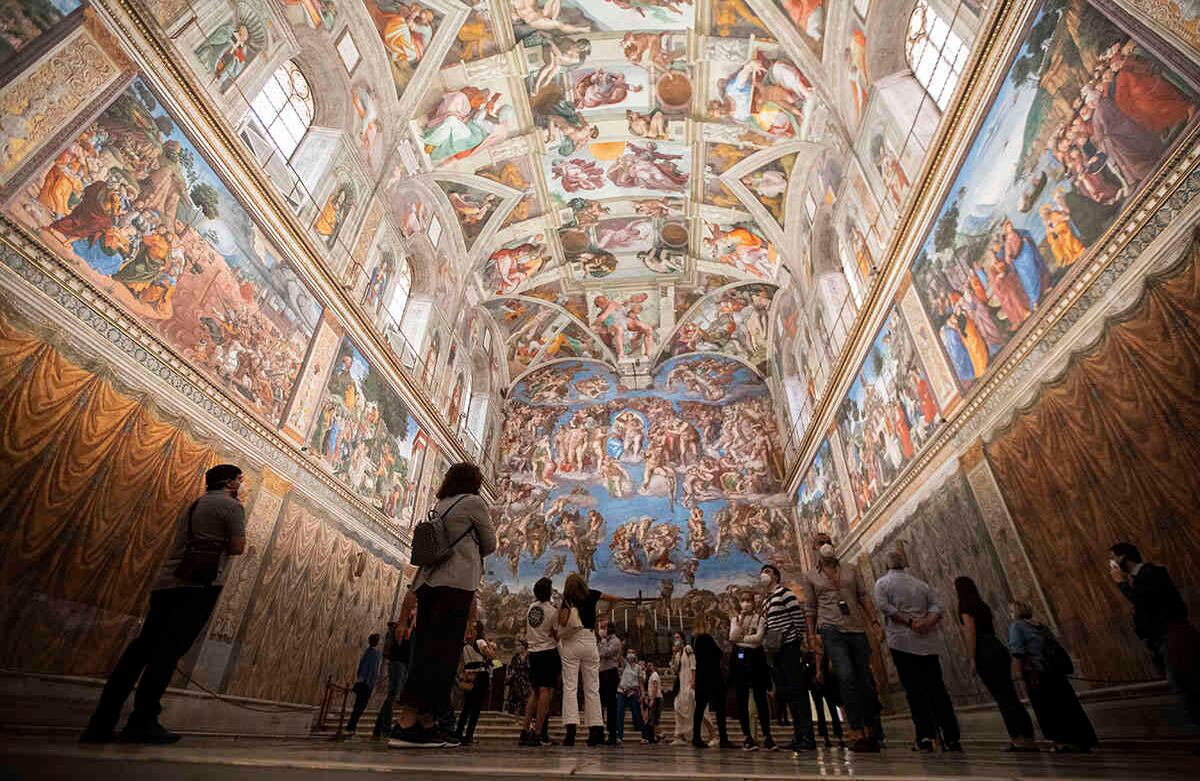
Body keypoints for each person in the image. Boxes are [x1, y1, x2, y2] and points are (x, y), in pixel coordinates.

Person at [81, 464, 247, 744]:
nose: (241, 485)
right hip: (198, 586)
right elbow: (237, 547)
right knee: (167, 655)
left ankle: (101, 722)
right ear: (229, 483)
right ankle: (142, 722)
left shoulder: (196, 504)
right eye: (240, 480)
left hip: (167, 583)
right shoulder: (232, 507)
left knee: (140, 651)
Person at [389, 463, 496, 749]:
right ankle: (407, 724)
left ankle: (426, 723)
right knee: (442, 657)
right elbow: (490, 543)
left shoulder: (441, 504)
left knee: (427, 652)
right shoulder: (474, 503)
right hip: (455, 586)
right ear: (475, 482)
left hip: (430, 584)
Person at [874, 551, 961, 751]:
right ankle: (951, 737)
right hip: (927, 643)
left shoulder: (882, 583)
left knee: (914, 691)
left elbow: (885, 607)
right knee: (937, 689)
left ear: (886, 565)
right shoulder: (921, 584)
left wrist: (910, 622)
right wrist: (927, 621)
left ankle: (925, 736)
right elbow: (938, 606)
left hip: (902, 643)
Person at [1109, 542, 1200, 727]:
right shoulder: (1143, 576)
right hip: (1164, 637)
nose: (1111, 564)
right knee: (1183, 682)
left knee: (1183, 683)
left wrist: (1121, 583)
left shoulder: (1150, 573)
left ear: (1123, 557)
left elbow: (1142, 601)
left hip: (1172, 636)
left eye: (1112, 558)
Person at [806, 541, 882, 752]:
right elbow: (810, 608)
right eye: (819, 543)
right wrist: (812, 635)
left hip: (855, 626)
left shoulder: (850, 569)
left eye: (827, 541)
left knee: (864, 678)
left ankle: (871, 728)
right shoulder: (810, 576)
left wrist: (874, 620)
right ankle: (856, 730)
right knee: (846, 676)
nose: (825, 545)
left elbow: (863, 595)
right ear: (814, 550)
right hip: (830, 628)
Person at [954, 576, 1036, 752]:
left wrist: (972, 658)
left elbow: (971, 632)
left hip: (983, 650)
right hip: (996, 647)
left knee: (1002, 697)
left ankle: (1017, 739)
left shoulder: (965, 606)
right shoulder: (982, 606)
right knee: (1011, 695)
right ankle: (1029, 738)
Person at [1008, 600, 1097, 753]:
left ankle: (1062, 742)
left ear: (1015, 612)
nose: (1010, 614)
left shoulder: (1016, 626)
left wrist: (1018, 676)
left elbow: (1018, 652)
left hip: (1037, 673)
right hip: (1055, 671)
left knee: (1049, 709)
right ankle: (1082, 740)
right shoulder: (1041, 625)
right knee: (1068, 706)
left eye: (1010, 611)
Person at [761, 564, 817, 753]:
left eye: (768, 571)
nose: (764, 575)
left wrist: (798, 639)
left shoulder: (785, 593)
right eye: (762, 572)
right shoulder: (766, 600)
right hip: (775, 649)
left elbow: (797, 617)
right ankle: (798, 734)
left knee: (797, 690)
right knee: (787, 692)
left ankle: (807, 736)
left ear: (776, 576)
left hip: (789, 646)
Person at [559, 573, 617, 746]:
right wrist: (606, 614)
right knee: (592, 688)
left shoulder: (568, 598)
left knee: (570, 687)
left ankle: (571, 732)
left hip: (572, 640)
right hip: (590, 640)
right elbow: (614, 598)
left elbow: (563, 621)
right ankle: (596, 731)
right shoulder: (591, 594)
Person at [730, 589, 776, 751]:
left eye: (748, 600)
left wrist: (742, 639)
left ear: (753, 602)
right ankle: (747, 736)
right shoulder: (735, 619)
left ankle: (767, 736)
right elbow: (732, 637)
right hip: (740, 658)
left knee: (760, 698)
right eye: (743, 600)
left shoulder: (760, 619)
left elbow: (758, 639)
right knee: (741, 699)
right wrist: (741, 622)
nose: (746, 603)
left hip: (756, 659)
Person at [520, 578, 560, 747]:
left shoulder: (531, 608)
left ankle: (524, 730)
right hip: (547, 653)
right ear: (549, 592)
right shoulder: (552, 611)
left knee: (535, 692)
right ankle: (537, 733)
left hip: (533, 653)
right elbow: (557, 634)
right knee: (545, 693)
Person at [691, 615, 735, 749]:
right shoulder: (706, 638)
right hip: (713, 677)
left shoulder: (695, 640)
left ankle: (696, 737)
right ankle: (724, 739)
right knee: (720, 709)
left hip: (701, 677)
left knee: (699, 709)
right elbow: (718, 654)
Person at [373, 613, 413, 739]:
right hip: (398, 662)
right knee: (393, 694)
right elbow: (404, 643)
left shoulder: (410, 628)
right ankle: (383, 729)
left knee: (392, 696)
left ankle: (379, 729)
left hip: (402, 663)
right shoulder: (401, 627)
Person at [456, 622, 491, 745]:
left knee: (467, 707)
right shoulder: (481, 642)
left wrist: (461, 676)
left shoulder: (465, 645)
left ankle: (458, 733)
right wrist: (490, 647)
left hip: (469, 675)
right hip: (480, 675)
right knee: (475, 709)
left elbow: (461, 663)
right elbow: (491, 656)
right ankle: (469, 735)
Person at [346, 634, 382, 736]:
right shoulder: (375, 654)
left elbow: (362, 667)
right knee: (360, 707)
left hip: (364, 682)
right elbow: (371, 670)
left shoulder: (368, 652)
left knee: (358, 706)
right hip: (366, 684)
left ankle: (351, 726)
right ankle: (351, 727)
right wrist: (369, 682)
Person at [613, 649, 646, 744]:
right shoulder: (625, 665)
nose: (630, 655)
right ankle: (619, 736)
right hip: (622, 691)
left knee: (637, 713)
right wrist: (621, 647)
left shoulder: (638, 668)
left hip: (633, 691)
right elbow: (619, 656)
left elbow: (640, 682)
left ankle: (644, 736)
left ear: (635, 656)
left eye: (632, 653)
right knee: (620, 712)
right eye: (629, 653)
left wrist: (643, 694)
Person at [812, 653, 844, 748]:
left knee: (833, 710)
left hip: (827, 684)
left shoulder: (826, 654)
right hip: (815, 686)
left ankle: (839, 736)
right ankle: (826, 738)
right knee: (820, 712)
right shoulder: (810, 655)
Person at [598, 620, 623, 741]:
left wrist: (603, 641)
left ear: (609, 629)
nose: (601, 629)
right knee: (600, 703)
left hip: (611, 672)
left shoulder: (615, 641)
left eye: (603, 627)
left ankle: (612, 733)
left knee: (611, 704)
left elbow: (604, 653)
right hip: (601, 672)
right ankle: (599, 731)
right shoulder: (603, 641)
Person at [505, 642, 532, 716]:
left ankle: (527, 718)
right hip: (517, 681)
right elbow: (511, 668)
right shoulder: (515, 657)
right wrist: (509, 675)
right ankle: (516, 719)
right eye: (516, 645)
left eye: (519, 645)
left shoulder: (529, 656)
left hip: (527, 681)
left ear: (524, 646)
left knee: (527, 700)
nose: (517, 647)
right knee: (517, 701)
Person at [643, 662, 662, 743]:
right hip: (655, 698)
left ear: (653, 666)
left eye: (650, 665)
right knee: (653, 719)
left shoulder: (654, 675)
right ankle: (655, 736)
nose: (648, 667)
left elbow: (655, 687)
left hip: (656, 698)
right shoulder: (652, 675)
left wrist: (652, 699)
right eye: (647, 665)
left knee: (652, 718)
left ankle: (655, 736)